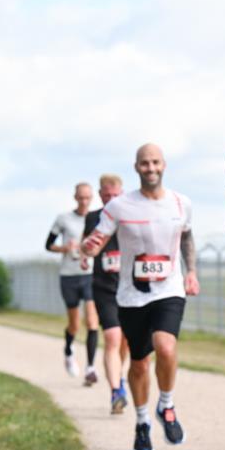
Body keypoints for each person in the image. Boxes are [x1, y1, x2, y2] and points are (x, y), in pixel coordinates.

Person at [82, 144, 200, 450]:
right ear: (136, 167)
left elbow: (187, 237)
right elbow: (98, 238)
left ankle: (166, 404)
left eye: (155, 162)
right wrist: (88, 250)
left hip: (169, 289)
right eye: (144, 163)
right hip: (131, 296)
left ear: (164, 165)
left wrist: (191, 273)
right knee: (138, 364)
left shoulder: (180, 203)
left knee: (166, 346)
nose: (150, 168)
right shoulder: (120, 206)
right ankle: (142, 421)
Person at [83, 174, 131, 414]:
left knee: (125, 343)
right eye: (107, 196)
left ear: (121, 194)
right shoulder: (93, 218)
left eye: (116, 196)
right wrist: (85, 257)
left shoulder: (131, 216)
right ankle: (116, 392)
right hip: (104, 288)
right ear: (100, 195)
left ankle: (119, 378)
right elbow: (87, 244)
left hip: (130, 288)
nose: (112, 199)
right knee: (112, 338)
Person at [47, 182, 100, 383]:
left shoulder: (97, 219)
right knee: (74, 324)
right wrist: (64, 249)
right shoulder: (63, 219)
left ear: (91, 198)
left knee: (93, 321)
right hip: (69, 275)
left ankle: (90, 368)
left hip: (89, 274)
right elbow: (48, 245)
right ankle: (68, 351)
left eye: (87, 198)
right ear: (75, 197)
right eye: (81, 197)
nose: (84, 201)